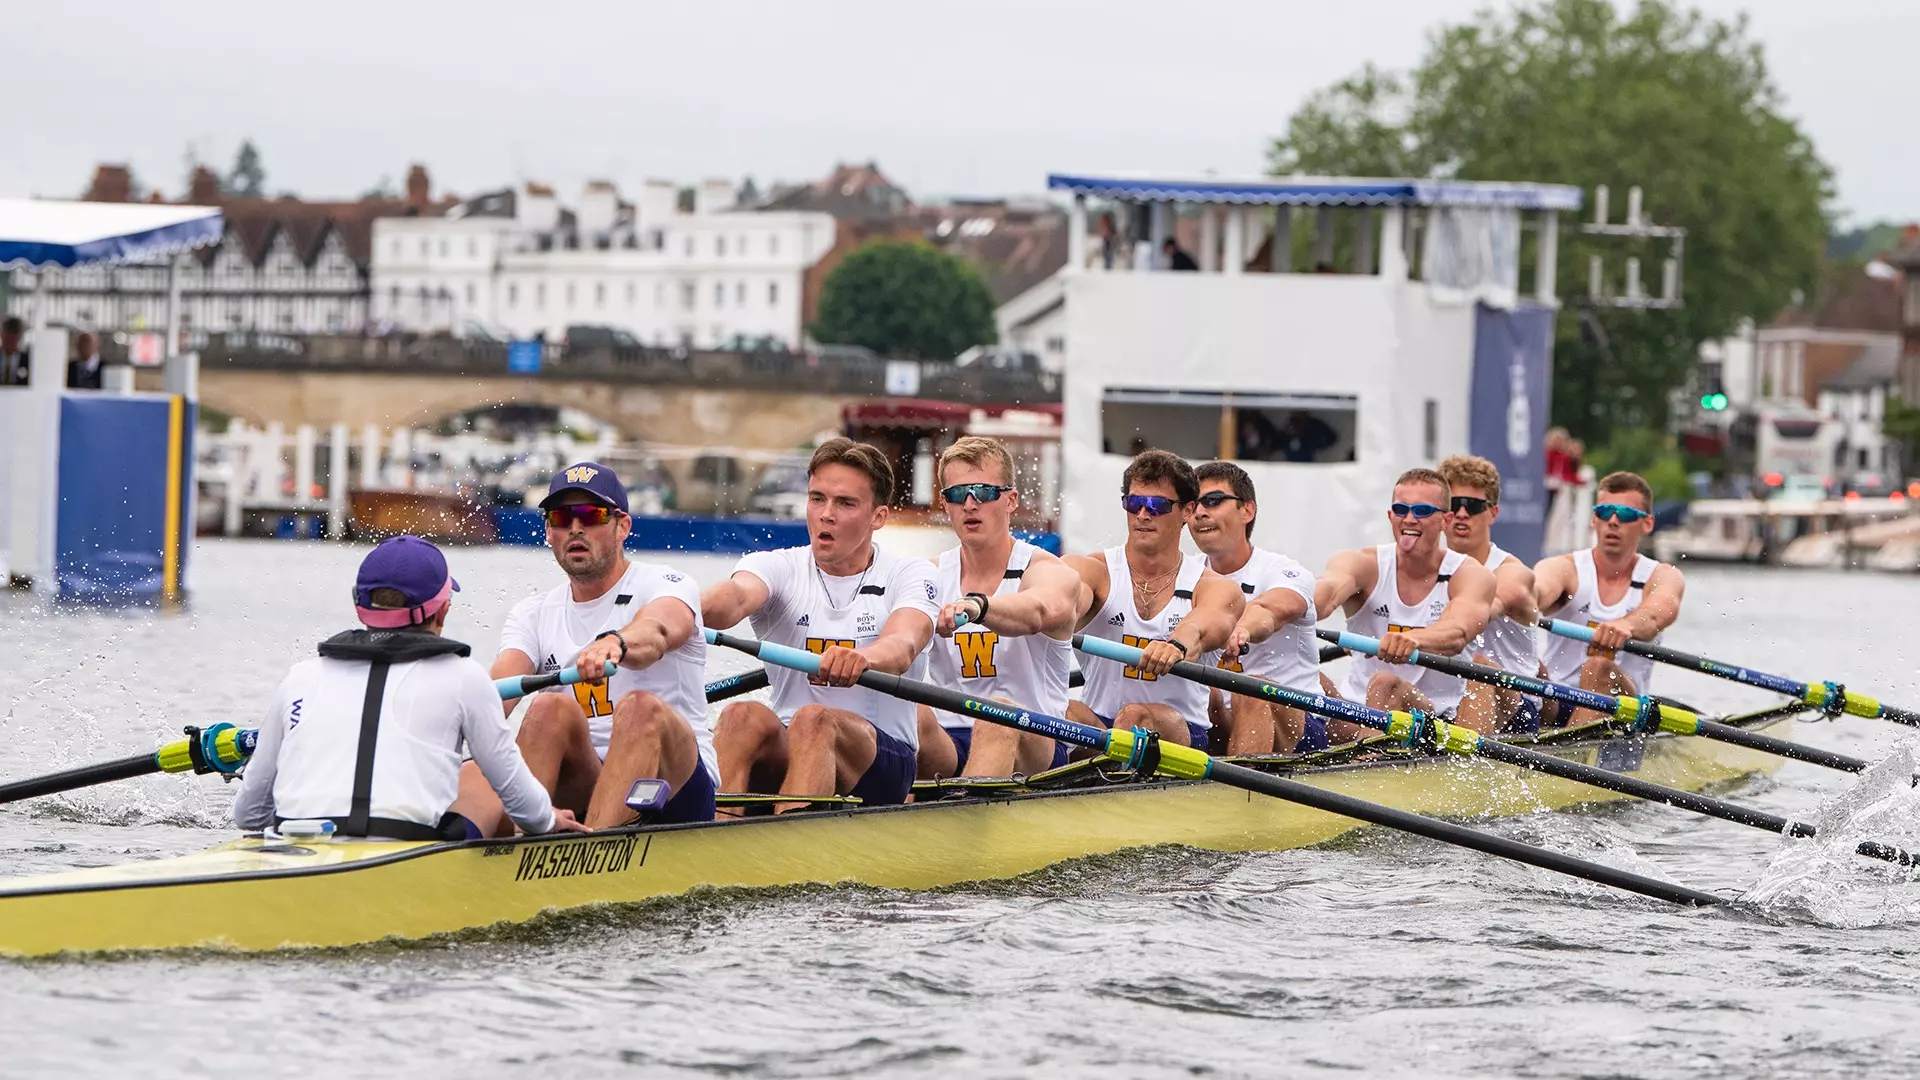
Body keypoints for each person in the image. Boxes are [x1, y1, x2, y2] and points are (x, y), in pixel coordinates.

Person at [232, 536, 584, 840]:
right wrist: (548, 820)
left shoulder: (300, 678)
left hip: (297, 840)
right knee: (479, 772)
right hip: (411, 850)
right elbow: (519, 799)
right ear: (443, 611)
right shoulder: (465, 677)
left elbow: (249, 815)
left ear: (360, 609)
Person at [460, 462, 714, 834]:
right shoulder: (533, 613)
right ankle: (504, 850)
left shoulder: (666, 583)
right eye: (561, 518)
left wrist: (617, 642)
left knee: (640, 708)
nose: (575, 528)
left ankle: (590, 854)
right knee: (547, 707)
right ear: (548, 531)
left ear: (622, 526)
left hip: (677, 785)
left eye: (591, 515)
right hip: (588, 777)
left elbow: (659, 630)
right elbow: (496, 692)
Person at [701, 438, 939, 812]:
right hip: (789, 745)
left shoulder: (910, 573)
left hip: (882, 760)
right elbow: (733, 599)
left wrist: (864, 658)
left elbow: (904, 643)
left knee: (814, 719)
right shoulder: (777, 566)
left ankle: (788, 848)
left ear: (878, 517)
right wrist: (676, 609)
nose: (826, 514)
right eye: (817, 499)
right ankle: (707, 836)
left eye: (845, 503)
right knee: (740, 715)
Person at [916, 436, 1080, 779]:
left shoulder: (1048, 570)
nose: (970, 505)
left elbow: (1040, 611)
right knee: (906, 711)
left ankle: (960, 819)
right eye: (958, 495)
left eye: (984, 492)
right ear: (946, 504)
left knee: (998, 713)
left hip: (1034, 736)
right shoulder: (926, 576)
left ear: (1011, 501)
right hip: (950, 740)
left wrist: (979, 606)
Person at [1066, 450, 1243, 748]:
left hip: (1179, 731)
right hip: (1101, 725)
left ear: (1187, 511)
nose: (1143, 514)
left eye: (1157, 506)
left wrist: (1175, 644)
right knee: (1062, 710)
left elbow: (1199, 628)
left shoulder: (1213, 586)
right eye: (1134, 503)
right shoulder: (1093, 570)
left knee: (1134, 716)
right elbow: (1058, 600)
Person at [1315, 467, 1495, 735]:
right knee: (1289, 680)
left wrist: (1413, 639)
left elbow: (1458, 631)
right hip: (1355, 715)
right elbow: (1322, 597)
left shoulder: (1470, 574)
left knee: (1386, 683)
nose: (1409, 519)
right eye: (1401, 510)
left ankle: (1364, 764)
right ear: (1390, 516)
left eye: (1422, 511)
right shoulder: (1361, 563)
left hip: (1432, 722)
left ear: (1445, 521)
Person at [1189, 461, 1327, 754]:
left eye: (1213, 501)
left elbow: (1270, 611)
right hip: (1219, 720)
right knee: (1199, 696)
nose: (1201, 512)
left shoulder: (1283, 571)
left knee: (1251, 687)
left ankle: (1238, 794)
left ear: (1247, 510)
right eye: (1194, 504)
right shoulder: (1184, 576)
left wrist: (1238, 629)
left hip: (1296, 724)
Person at [1534, 471, 1684, 726]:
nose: (1613, 521)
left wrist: (1627, 625)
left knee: (1598, 668)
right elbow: (1534, 590)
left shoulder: (1661, 575)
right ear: (1595, 519)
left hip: (1624, 707)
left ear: (1647, 523)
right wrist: (1516, 602)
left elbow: (1660, 611)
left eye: (1625, 515)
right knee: (1522, 665)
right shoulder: (1564, 568)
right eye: (1605, 512)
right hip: (1557, 702)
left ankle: (1567, 760)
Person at [1436, 455, 1543, 734]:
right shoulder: (1425, 569)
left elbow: (1483, 607)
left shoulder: (1511, 572)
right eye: (1454, 504)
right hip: (1447, 702)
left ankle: (1464, 772)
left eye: (1472, 507)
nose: (1461, 514)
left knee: (1479, 668)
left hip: (1514, 706)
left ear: (1492, 513)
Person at [0, 317, 29, 386]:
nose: (10, 342)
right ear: (1, 335)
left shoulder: (28, 360)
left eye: (13, 339)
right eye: (7, 339)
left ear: (20, 338)